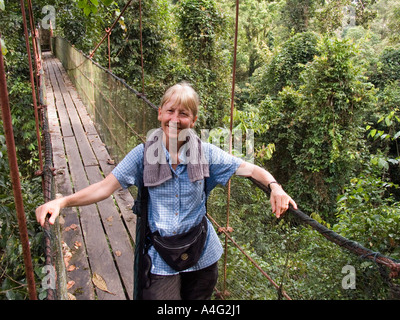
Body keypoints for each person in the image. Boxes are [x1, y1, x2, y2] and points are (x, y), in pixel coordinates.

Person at [36, 82, 297, 300]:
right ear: (160, 113)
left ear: (193, 120)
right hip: (160, 257)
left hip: (202, 253)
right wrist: (62, 202)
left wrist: (275, 187)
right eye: (170, 111)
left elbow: (250, 170)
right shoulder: (142, 155)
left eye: (183, 114)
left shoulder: (205, 153)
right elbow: (105, 187)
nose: (175, 119)